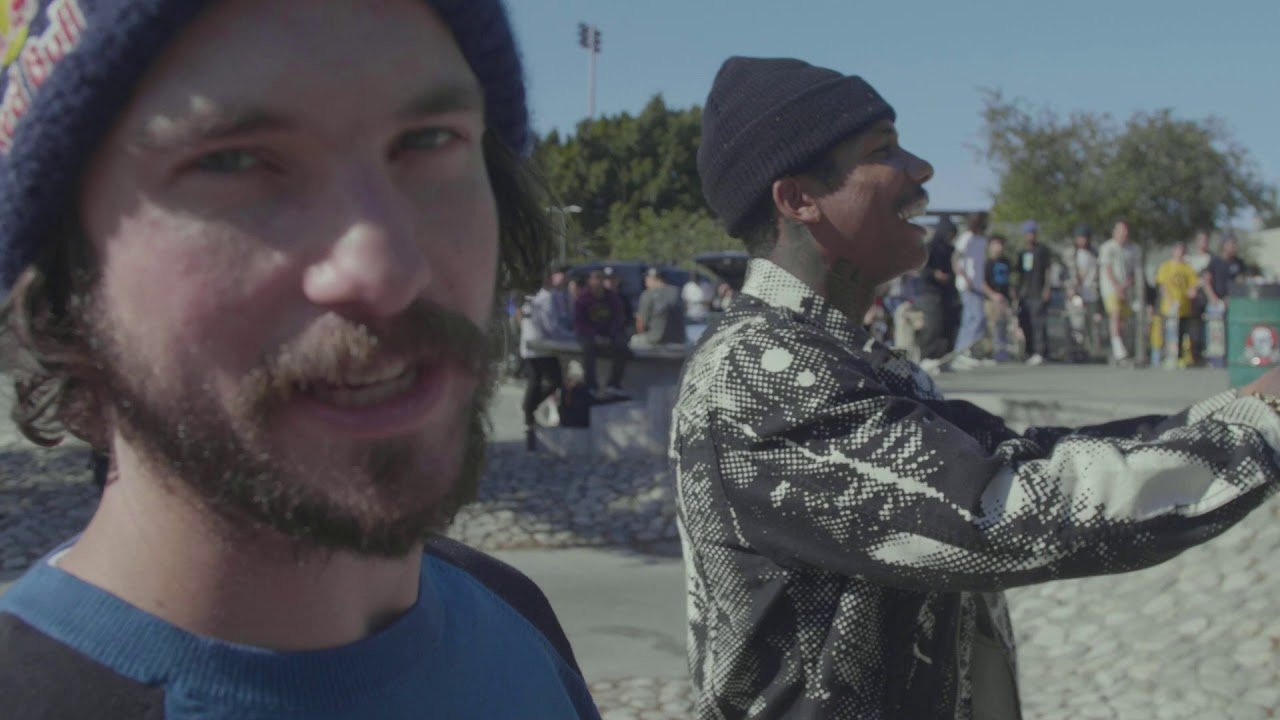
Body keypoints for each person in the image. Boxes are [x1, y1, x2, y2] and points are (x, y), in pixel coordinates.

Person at [0, 2, 600, 718]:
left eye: (429, 139)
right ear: (59, 270)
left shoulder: (515, 618)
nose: (383, 268)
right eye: (231, 160)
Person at [678, 55, 1280, 719]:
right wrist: (1261, 433)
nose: (921, 169)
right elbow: (1001, 512)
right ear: (798, 199)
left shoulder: (837, 357)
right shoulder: (758, 374)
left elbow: (1025, 458)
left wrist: (1245, 405)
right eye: (882, 151)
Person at [521, 269, 575, 445]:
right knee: (552, 380)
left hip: (533, 347)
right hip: (541, 348)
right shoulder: (545, 299)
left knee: (537, 380)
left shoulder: (534, 298)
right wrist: (571, 337)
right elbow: (551, 327)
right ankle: (529, 409)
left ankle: (529, 415)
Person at [574, 269, 629, 396]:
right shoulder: (583, 299)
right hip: (588, 334)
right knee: (588, 348)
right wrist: (595, 336)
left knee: (621, 345)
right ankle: (591, 385)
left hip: (607, 333)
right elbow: (580, 323)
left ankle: (613, 384)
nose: (598, 282)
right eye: (595, 278)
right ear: (589, 281)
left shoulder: (612, 297)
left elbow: (618, 318)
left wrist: (609, 334)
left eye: (600, 278)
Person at [916, 215, 960, 366]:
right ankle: (927, 356)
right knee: (934, 325)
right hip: (930, 292)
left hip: (946, 293)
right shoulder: (930, 248)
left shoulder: (949, 250)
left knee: (948, 324)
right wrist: (935, 274)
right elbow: (922, 269)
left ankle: (944, 357)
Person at [1098, 219, 1144, 361]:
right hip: (1110, 288)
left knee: (1123, 319)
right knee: (1115, 314)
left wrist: (1129, 285)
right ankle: (1117, 348)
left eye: (1126, 230)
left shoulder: (1133, 249)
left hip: (1126, 288)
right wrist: (1117, 287)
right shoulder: (1107, 247)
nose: (1124, 233)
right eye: (1120, 230)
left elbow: (1135, 270)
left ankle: (1120, 345)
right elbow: (1108, 269)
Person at [952, 211, 989, 367]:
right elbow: (955, 258)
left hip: (978, 284)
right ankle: (962, 351)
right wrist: (964, 276)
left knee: (974, 318)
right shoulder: (966, 237)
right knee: (975, 317)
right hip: (967, 284)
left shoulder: (982, 239)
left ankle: (968, 350)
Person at [1155, 243, 1201, 367]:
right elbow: (1162, 285)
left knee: (1182, 334)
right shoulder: (1166, 266)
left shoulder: (1188, 268)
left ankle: (1180, 357)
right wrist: (1170, 301)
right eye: (1178, 250)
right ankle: (1166, 357)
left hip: (1184, 308)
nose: (1180, 253)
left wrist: (1192, 291)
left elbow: (1193, 285)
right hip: (1168, 308)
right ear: (1173, 251)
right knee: (1168, 333)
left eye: (1182, 250)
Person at [1016, 219, 1053, 365]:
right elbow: (1020, 274)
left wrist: (1047, 288)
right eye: (1028, 233)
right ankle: (1030, 350)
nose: (1030, 236)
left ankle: (1041, 351)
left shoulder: (1042, 250)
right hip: (1026, 294)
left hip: (1039, 291)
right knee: (1026, 323)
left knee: (1038, 323)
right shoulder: (1022, 252)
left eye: (1032, 233)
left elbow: (1048, 270)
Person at [1067, 225, 1102, 361]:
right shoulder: (1071, 254)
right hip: (1077, 294)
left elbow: (1097, 273)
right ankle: (1077, 350)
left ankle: (1092, 351)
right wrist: (1071, 287)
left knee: (1092, 324)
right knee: (1077, 323)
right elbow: (1066, 274)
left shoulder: (1094, 254)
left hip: (1091, 293)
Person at [632, 268, 686, 348]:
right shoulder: (677, 291)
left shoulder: (647, 294)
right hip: (678, 339)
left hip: (655, 339)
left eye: (646, 278)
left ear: (653, 279)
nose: (645, 281)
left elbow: (641, 323)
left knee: (633, 340)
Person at [983, 234, 1014, 362]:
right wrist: (992, 295)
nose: (998, 247)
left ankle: (1002, 351)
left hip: (1004, 299)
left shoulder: (1007, 262)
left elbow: (1010, 281)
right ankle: (990, 352)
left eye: (1000, 244)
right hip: (991, 299)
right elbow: (982, 283)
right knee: (992, 326)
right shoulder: (987, 263)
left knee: (1004, 325)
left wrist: (1011, 296)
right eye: (995, 244)